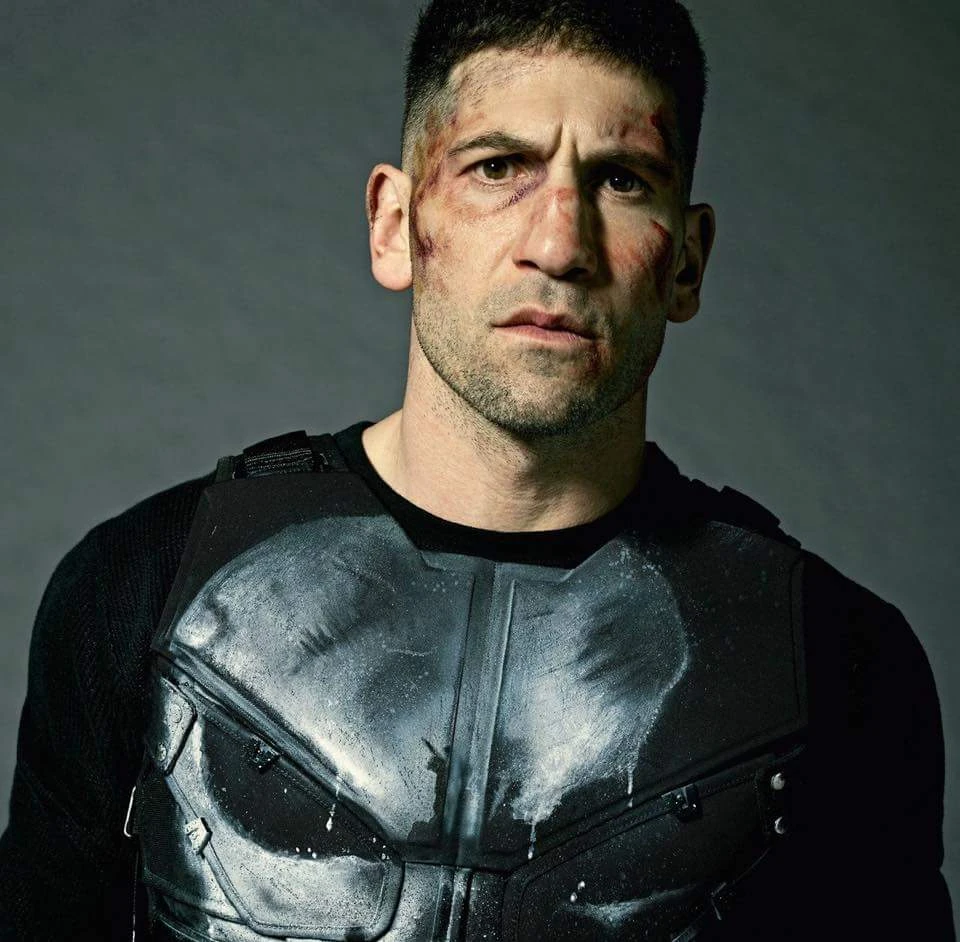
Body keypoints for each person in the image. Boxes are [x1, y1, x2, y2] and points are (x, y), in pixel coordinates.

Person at [0, 0, 953, 939]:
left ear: (688, 264)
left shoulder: (838, 662)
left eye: (621, 180)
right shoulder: (144, 590)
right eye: (498, 168)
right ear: (395, 224)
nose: (559, 245)